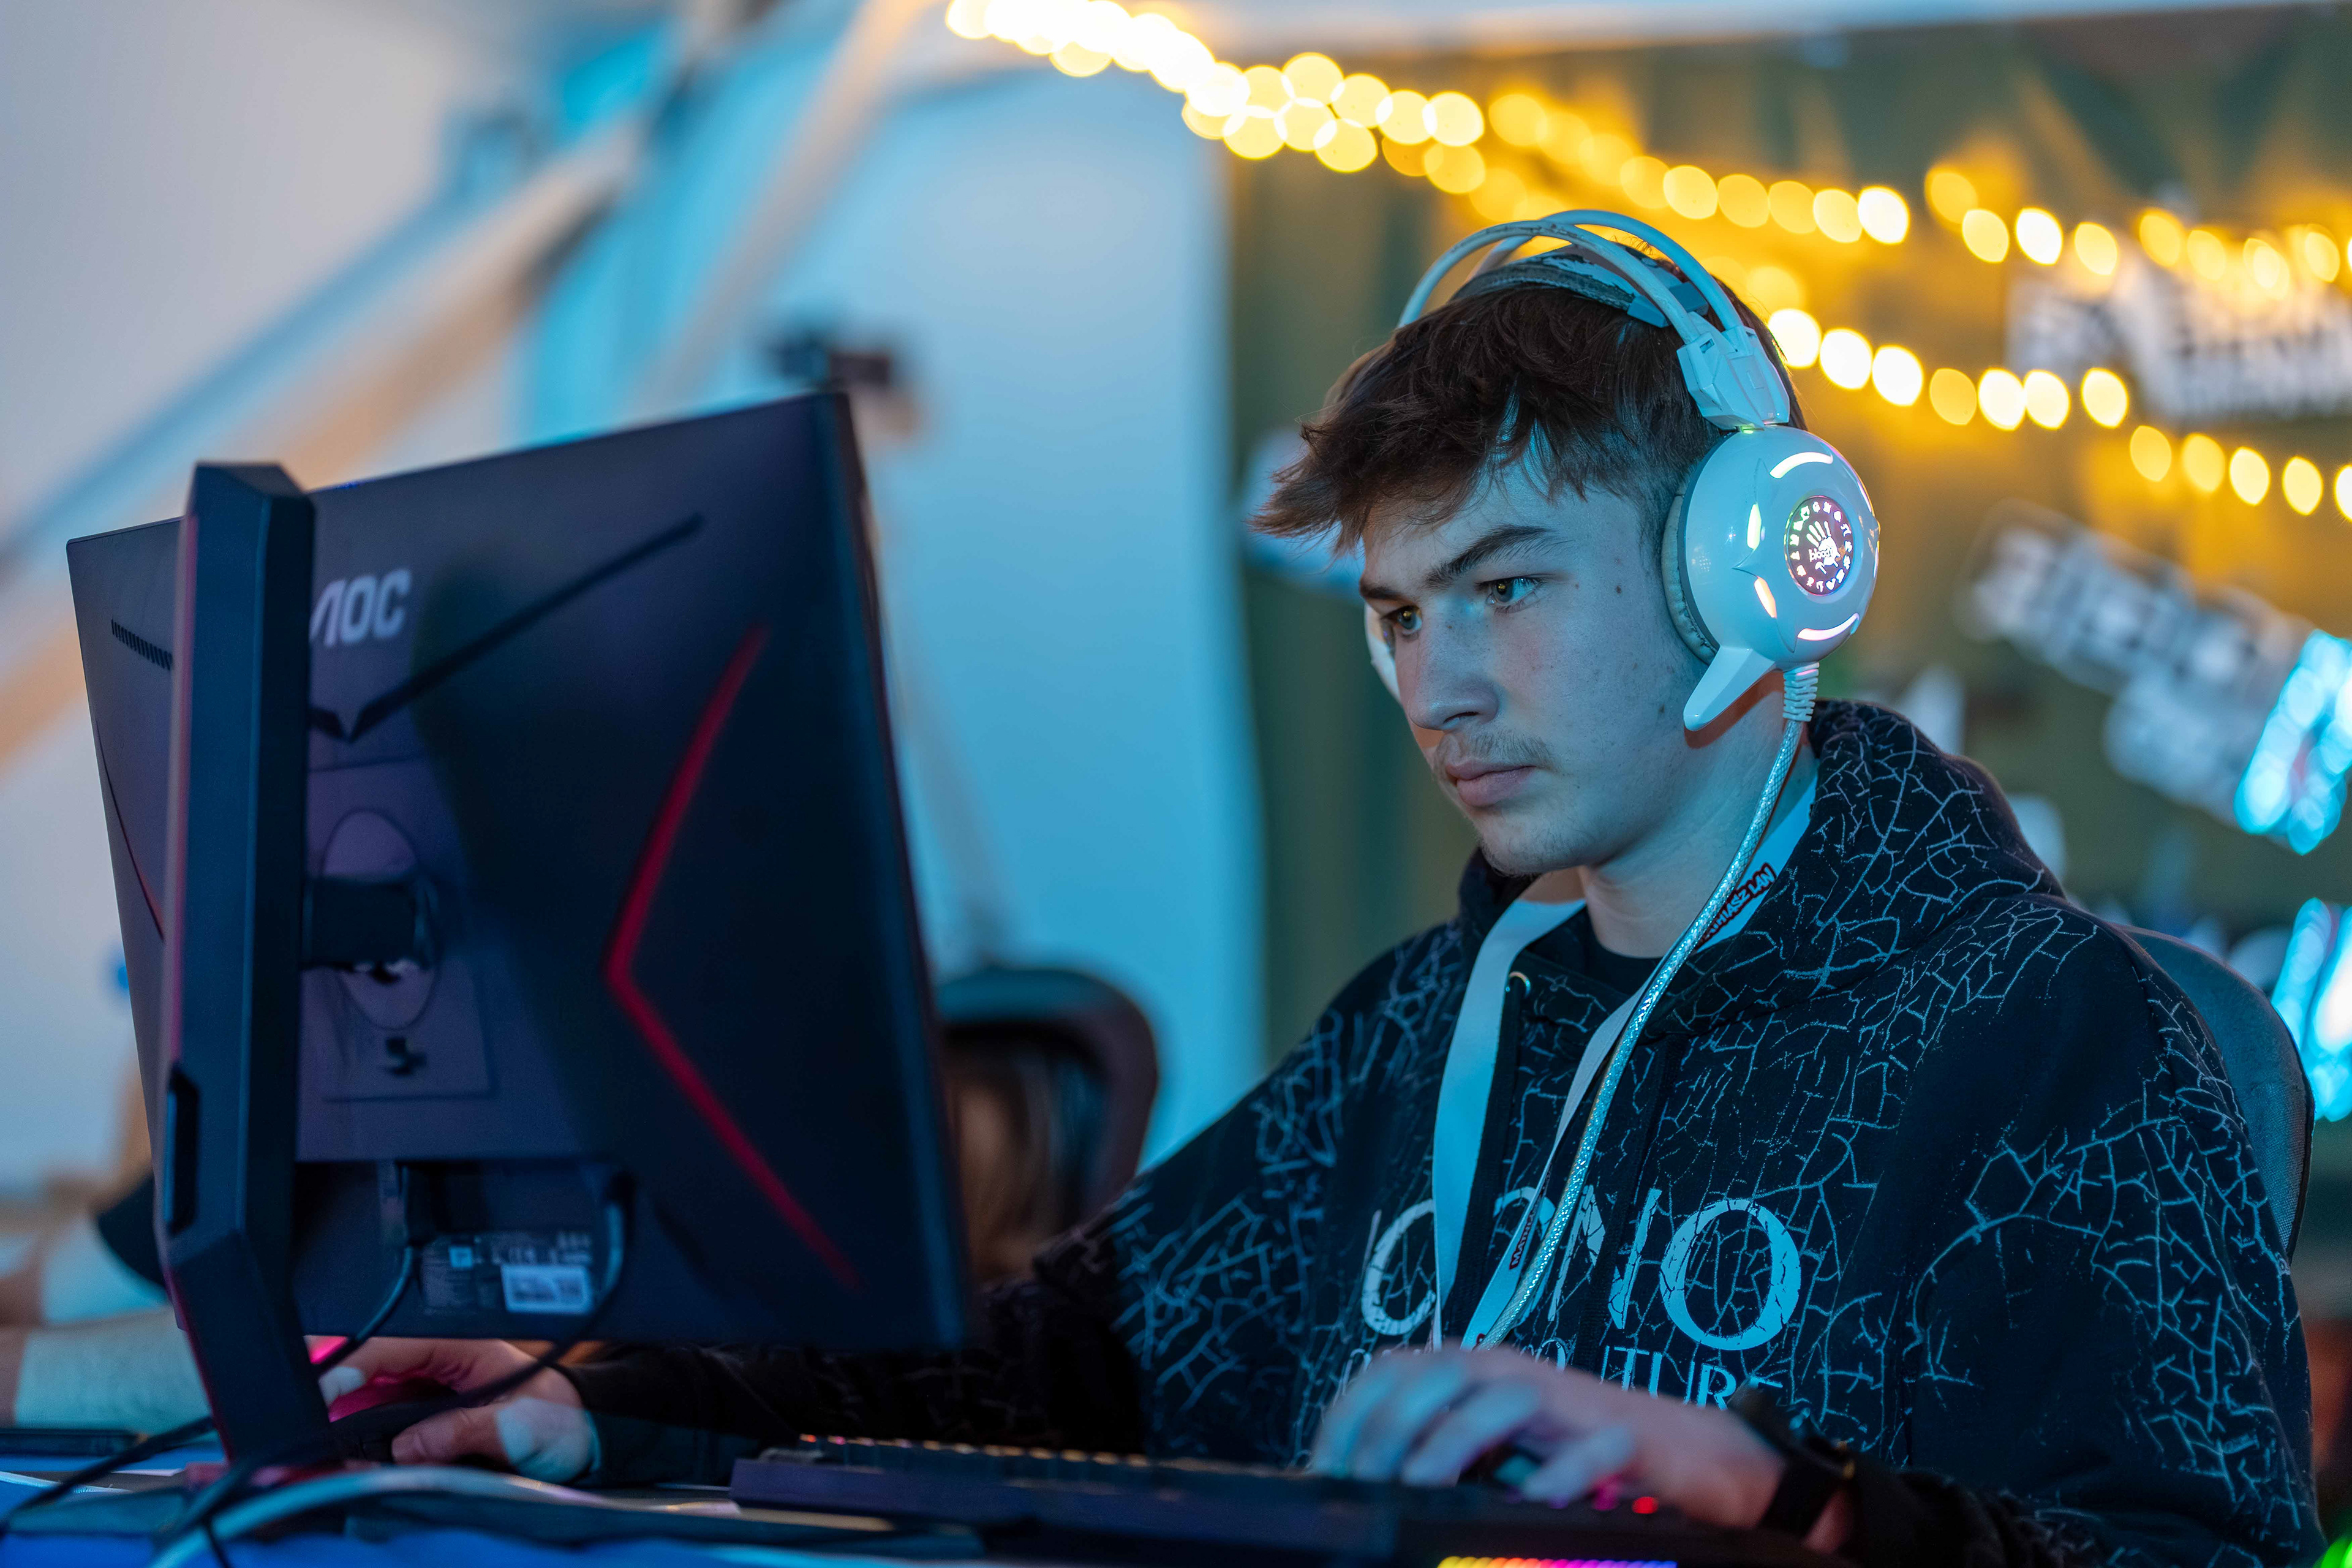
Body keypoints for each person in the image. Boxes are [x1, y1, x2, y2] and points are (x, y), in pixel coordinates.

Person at [328, 233, 2317, 1567]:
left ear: (1746, 574)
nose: (1441, 687)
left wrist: (1778, 1500)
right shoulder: (1421, 1036)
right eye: (1399, 615)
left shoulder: (2057, 1042)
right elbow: (1055, 1369)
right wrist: (610, 1405)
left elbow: (2195, 1556)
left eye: (1508, 588)